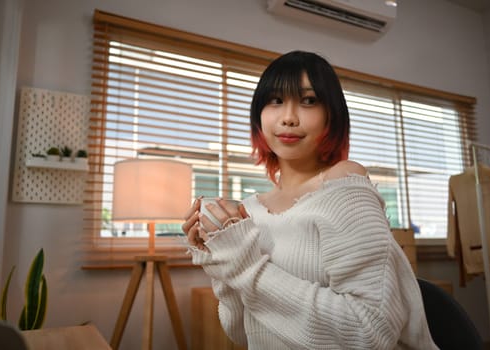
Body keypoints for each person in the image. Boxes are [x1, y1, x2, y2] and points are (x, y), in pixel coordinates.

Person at [182, 50, 437, 349]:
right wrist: (220, 260)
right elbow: (240, 330)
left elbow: (370, 332)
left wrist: (241, 262)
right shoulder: (248, 209)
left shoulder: (344, 183)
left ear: (332, 114)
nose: (288, 118)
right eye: (275, 100)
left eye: (308, 101)